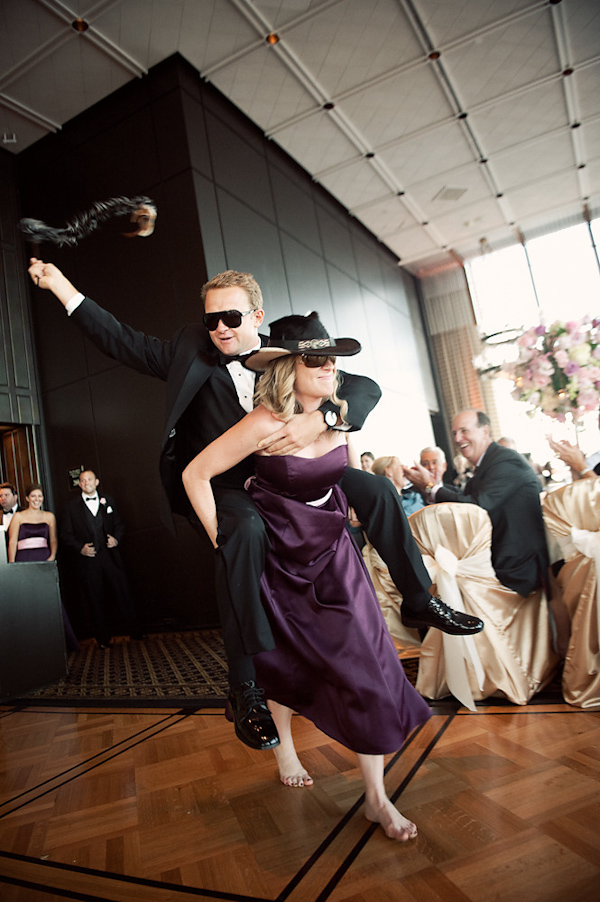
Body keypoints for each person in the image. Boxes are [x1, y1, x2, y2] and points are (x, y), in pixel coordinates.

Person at [28, 257, 482, 752]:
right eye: (211, 319)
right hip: (231, 486)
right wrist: (60, 286)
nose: (220, 328)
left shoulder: (289, 349)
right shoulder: (188, 354)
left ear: (257, 316)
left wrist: (324, 416)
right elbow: (121, 339)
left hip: (289, 477)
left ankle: (419, 600)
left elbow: (361, 385)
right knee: (239, 537)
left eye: (232, 317)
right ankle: (244, 688)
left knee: (377, 490)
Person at [182, 312, 432, 841]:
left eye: (333, 360)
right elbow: (195, 473)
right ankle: (286, 754)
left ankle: (376, 798)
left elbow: (343, 470)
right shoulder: (264, 422)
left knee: (368, 664)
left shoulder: (339, 415)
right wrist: (221, 539)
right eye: (317, 359)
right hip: (282, 561)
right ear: (289, 366)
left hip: (336, 559)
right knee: (287, 665)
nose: (329, 369)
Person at [405, 409, 549, 597]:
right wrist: (431, 486)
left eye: (464, 431)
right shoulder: (486, 463)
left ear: (485, 431)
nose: (457, 439)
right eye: (454, 433)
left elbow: (475, 507)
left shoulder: (505, 460)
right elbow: (463, 497)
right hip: (498, 560)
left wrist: (429, 486)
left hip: (517, 564)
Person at [60, 469, 142, 649]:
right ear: (79, 484)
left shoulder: (109, 501)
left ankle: (135, 632)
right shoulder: (71, 508)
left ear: (96, 482)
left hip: (111, 556)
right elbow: (66, 535)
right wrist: (80, 549)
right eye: (82, 480)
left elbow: (120, 524)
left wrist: (116, 538)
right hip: (89, 560)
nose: (86, 482)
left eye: (89, 479)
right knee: (94, 599)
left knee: (123, 593)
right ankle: (103, 639)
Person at [7, 482, 79, 651]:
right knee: (27, 602)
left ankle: (60, 643)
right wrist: (12, 566)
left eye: (39, 496)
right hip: (23, 560)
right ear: (26, 498)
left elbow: (53, 539)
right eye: (33, 496)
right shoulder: (18, 517)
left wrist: (52, 556)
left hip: (44, 559)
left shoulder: (49, 516)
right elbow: (12, 542)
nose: (37, 499)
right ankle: (32, 645)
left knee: (50, 600)